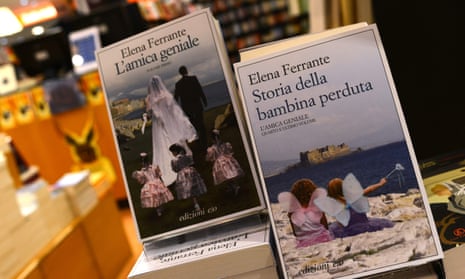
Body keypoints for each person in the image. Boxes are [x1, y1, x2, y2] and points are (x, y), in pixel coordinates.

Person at [145, 75, 197, 186]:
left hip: (158, 126)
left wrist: (146, 116)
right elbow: (174, 110)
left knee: (161, 145)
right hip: (170, 123)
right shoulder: (166, 95)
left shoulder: (149, 99)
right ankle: (183, 162)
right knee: (174, 140)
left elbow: (149, 113)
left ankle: (168, 168)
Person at [325, 175, 394, 238]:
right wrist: (380, 184)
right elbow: (370, 189)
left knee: (332, 228)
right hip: (364, 224)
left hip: (349, 229)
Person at [278, 179, 334, 248]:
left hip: (304, 243)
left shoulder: (292, 212)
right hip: (322, 238)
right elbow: (325, 226)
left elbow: (295, 233)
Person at [174, 65, 208, 151]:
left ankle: (198, 140)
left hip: (187, 107)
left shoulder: (178, 84)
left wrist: (176, 110)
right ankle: (204, 140)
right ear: (186, 71)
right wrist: (204, 100)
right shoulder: (193, 79)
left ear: (180, 73)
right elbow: (199, 90)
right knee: (201, 122)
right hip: (197, 104)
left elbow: (176, 98)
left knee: (193, 123)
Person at [169, 143, 207, 211]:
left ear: (175, 152)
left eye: (172, 152)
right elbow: (191, 162)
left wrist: (180, 169)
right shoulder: (187, 156)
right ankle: (196, 202)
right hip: (191, 171)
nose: (172, 154)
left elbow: (175, 169)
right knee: (192, 186)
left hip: (182, 175)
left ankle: (195, 203)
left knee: (188, 187)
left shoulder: (174, 160)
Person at [205, 129, 244, 195]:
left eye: (217, 138)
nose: (217, 140)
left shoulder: (216, 147)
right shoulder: (219, 146)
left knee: (227, 175)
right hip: (226, 160)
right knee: (227, 176)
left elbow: (210, 157)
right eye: (216, 139)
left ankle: (235, 186)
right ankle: (231, 186)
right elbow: (229, 151)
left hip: (221, 163)